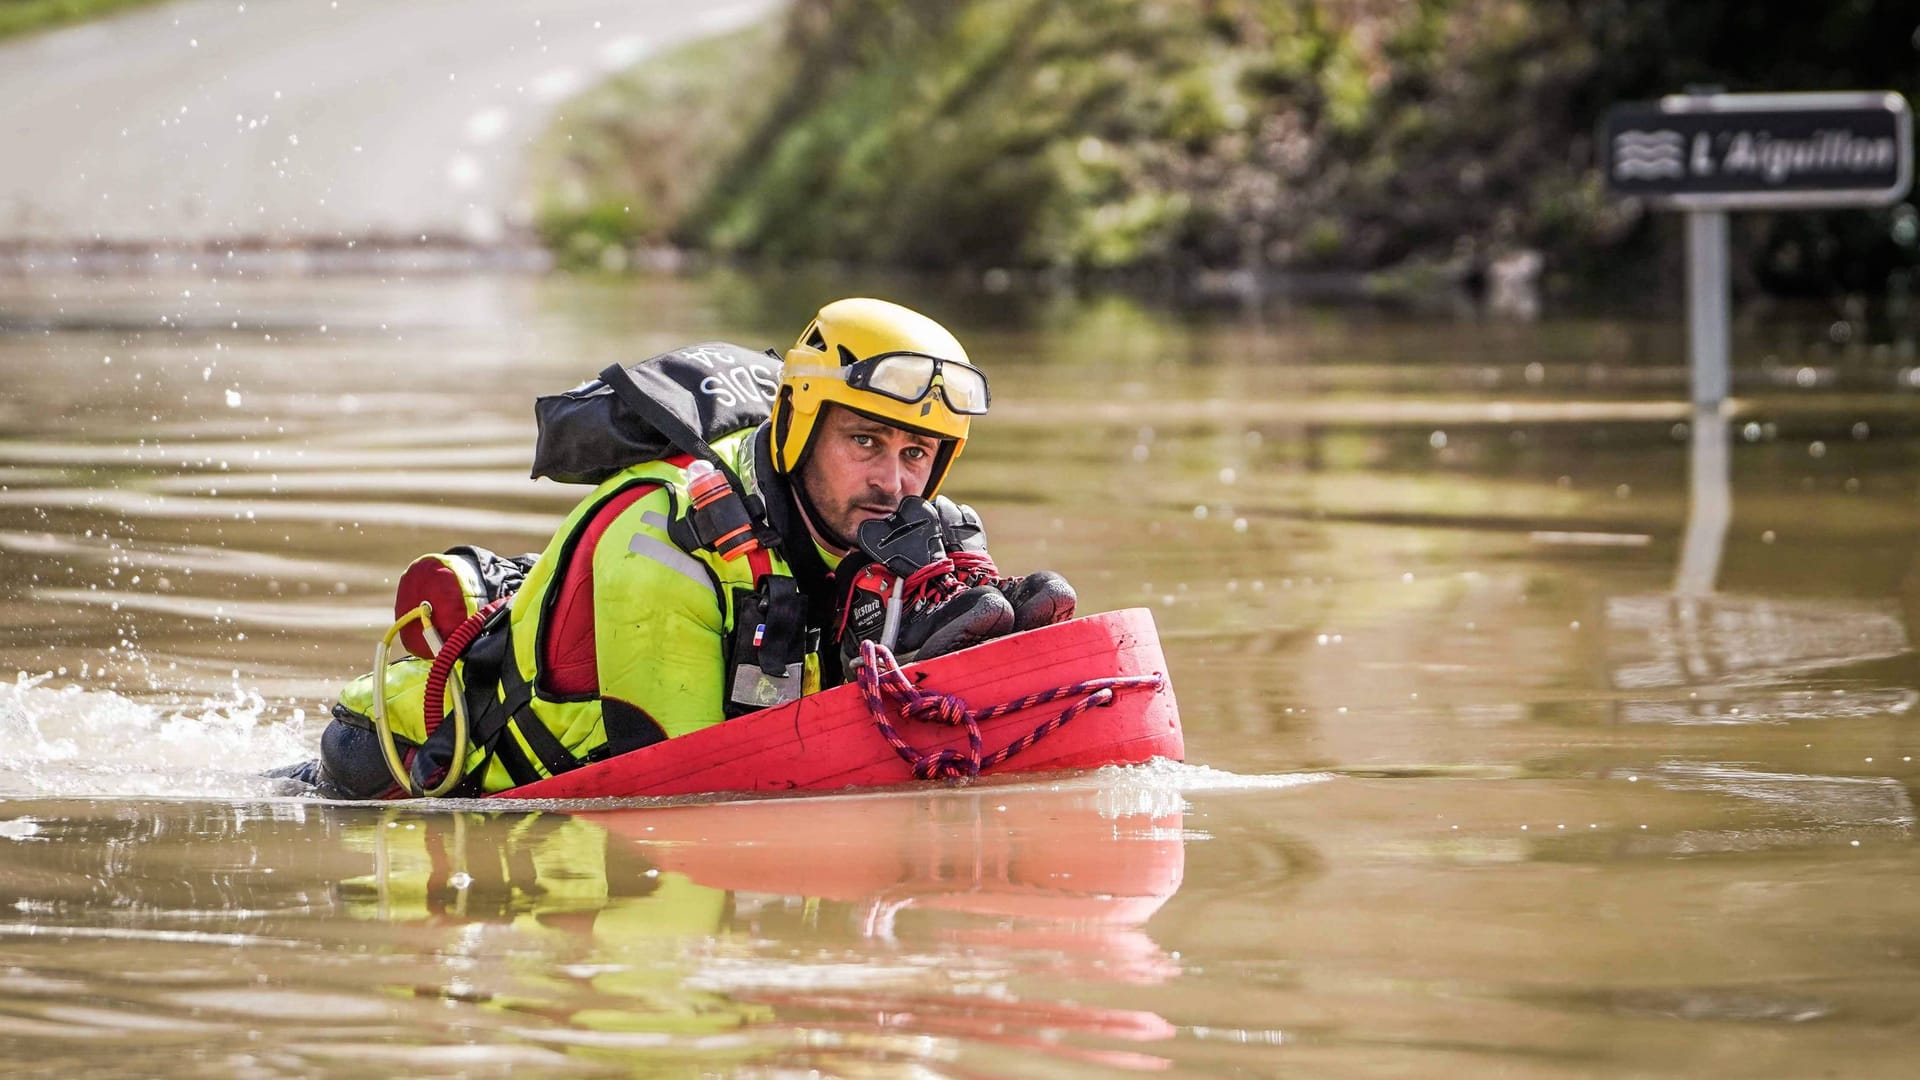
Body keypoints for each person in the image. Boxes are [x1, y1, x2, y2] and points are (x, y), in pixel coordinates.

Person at [293, 298, 1076, 798]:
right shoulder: (668, 537)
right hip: (405, 771)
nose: (893, 484)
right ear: (798, 424)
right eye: (865, 441)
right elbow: (687, 795)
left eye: (916, 456)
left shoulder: (876, 538)